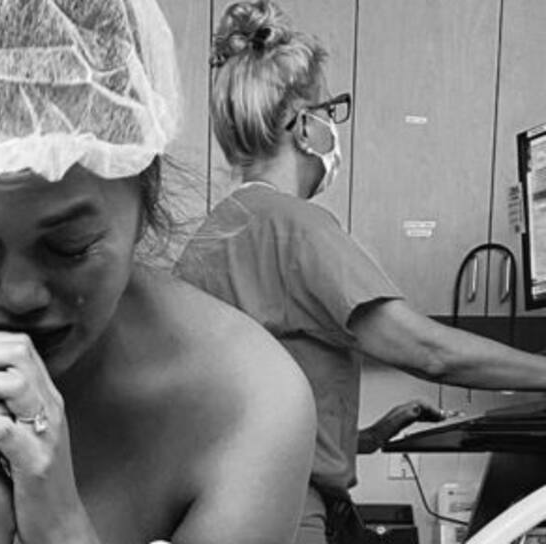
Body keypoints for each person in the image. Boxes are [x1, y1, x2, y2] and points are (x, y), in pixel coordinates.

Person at [0, 1, 317, 542]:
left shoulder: (250, 400)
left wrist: (60, 523)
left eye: (70, 247)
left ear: (144, 204)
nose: (18, 295)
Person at [175, 1, 546, 542]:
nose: (333, 126)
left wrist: (369, 436)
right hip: (289, 514)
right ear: (304, 126)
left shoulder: (216, 233)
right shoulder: (295, 227)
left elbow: (248, 413)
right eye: (329, 110)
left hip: (234, 508)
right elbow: (429, 352)